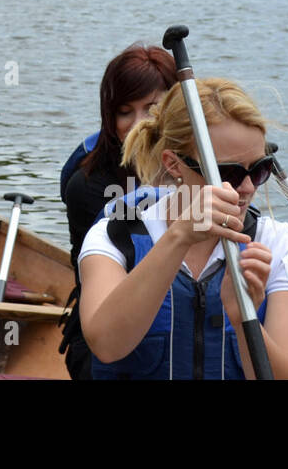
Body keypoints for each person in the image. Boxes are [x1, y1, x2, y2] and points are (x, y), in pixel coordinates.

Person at [78, 78, 288, 379]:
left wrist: (243, 317)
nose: (246, 187)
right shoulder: (115, 238)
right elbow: (107, 345)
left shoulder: (284, 245)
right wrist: (178, 238)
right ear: (174, 164)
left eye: (259, 170)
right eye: (228, 172)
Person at [58, 44, 175, 378]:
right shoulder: (89, 186)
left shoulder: (200, 170)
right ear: (109, 117)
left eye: (152, 109)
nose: (139, 124)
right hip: (106, 335)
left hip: (185, 322)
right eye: (125, 112)